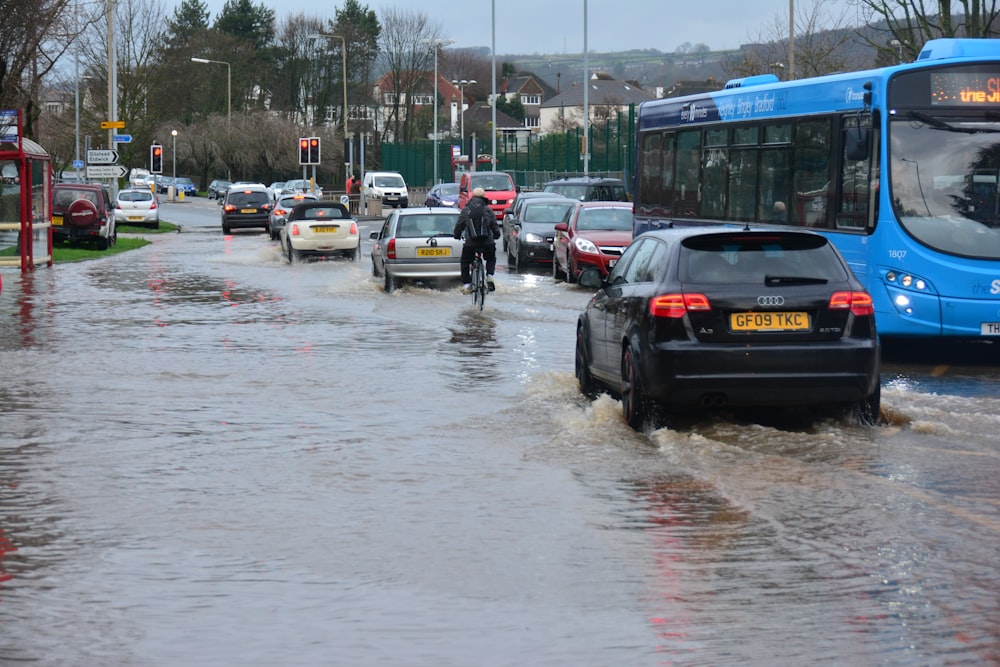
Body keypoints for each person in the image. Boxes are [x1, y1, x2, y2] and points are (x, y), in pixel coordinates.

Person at [453, 186, 501, 294]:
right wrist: (496, 235)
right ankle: (489, 276)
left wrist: (456, 235)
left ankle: (467, 285)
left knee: (465, 261)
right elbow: (494, 225)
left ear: (472, 197)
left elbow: (459, 225)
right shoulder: (487, 209)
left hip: (471, 243)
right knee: (491, 258)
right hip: (487, 242)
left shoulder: (466, 210)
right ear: (484, 197)